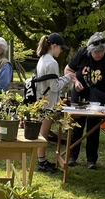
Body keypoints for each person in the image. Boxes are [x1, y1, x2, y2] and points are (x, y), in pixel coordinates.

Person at [64, 32, 105, 169]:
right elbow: (68, 70)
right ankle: (72, 156)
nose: (99, 54)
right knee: (76, 126)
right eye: (97, 52)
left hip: (98, 99)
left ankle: (91, 160)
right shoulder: (82, 54)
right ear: (90, 50)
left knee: (93, 128)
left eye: (102, 51)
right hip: (80, 95)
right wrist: (75, 81)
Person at [34, 33, 72, 174]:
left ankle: (41, 160)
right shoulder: (52, 63)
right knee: (43, 134)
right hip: (48, 102)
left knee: (42, 132)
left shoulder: (42, 59)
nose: (61, 51)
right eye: (60, 48)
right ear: (54, 46)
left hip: (41, 99)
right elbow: (55, 86)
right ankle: (41, 162)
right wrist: (67, 78)